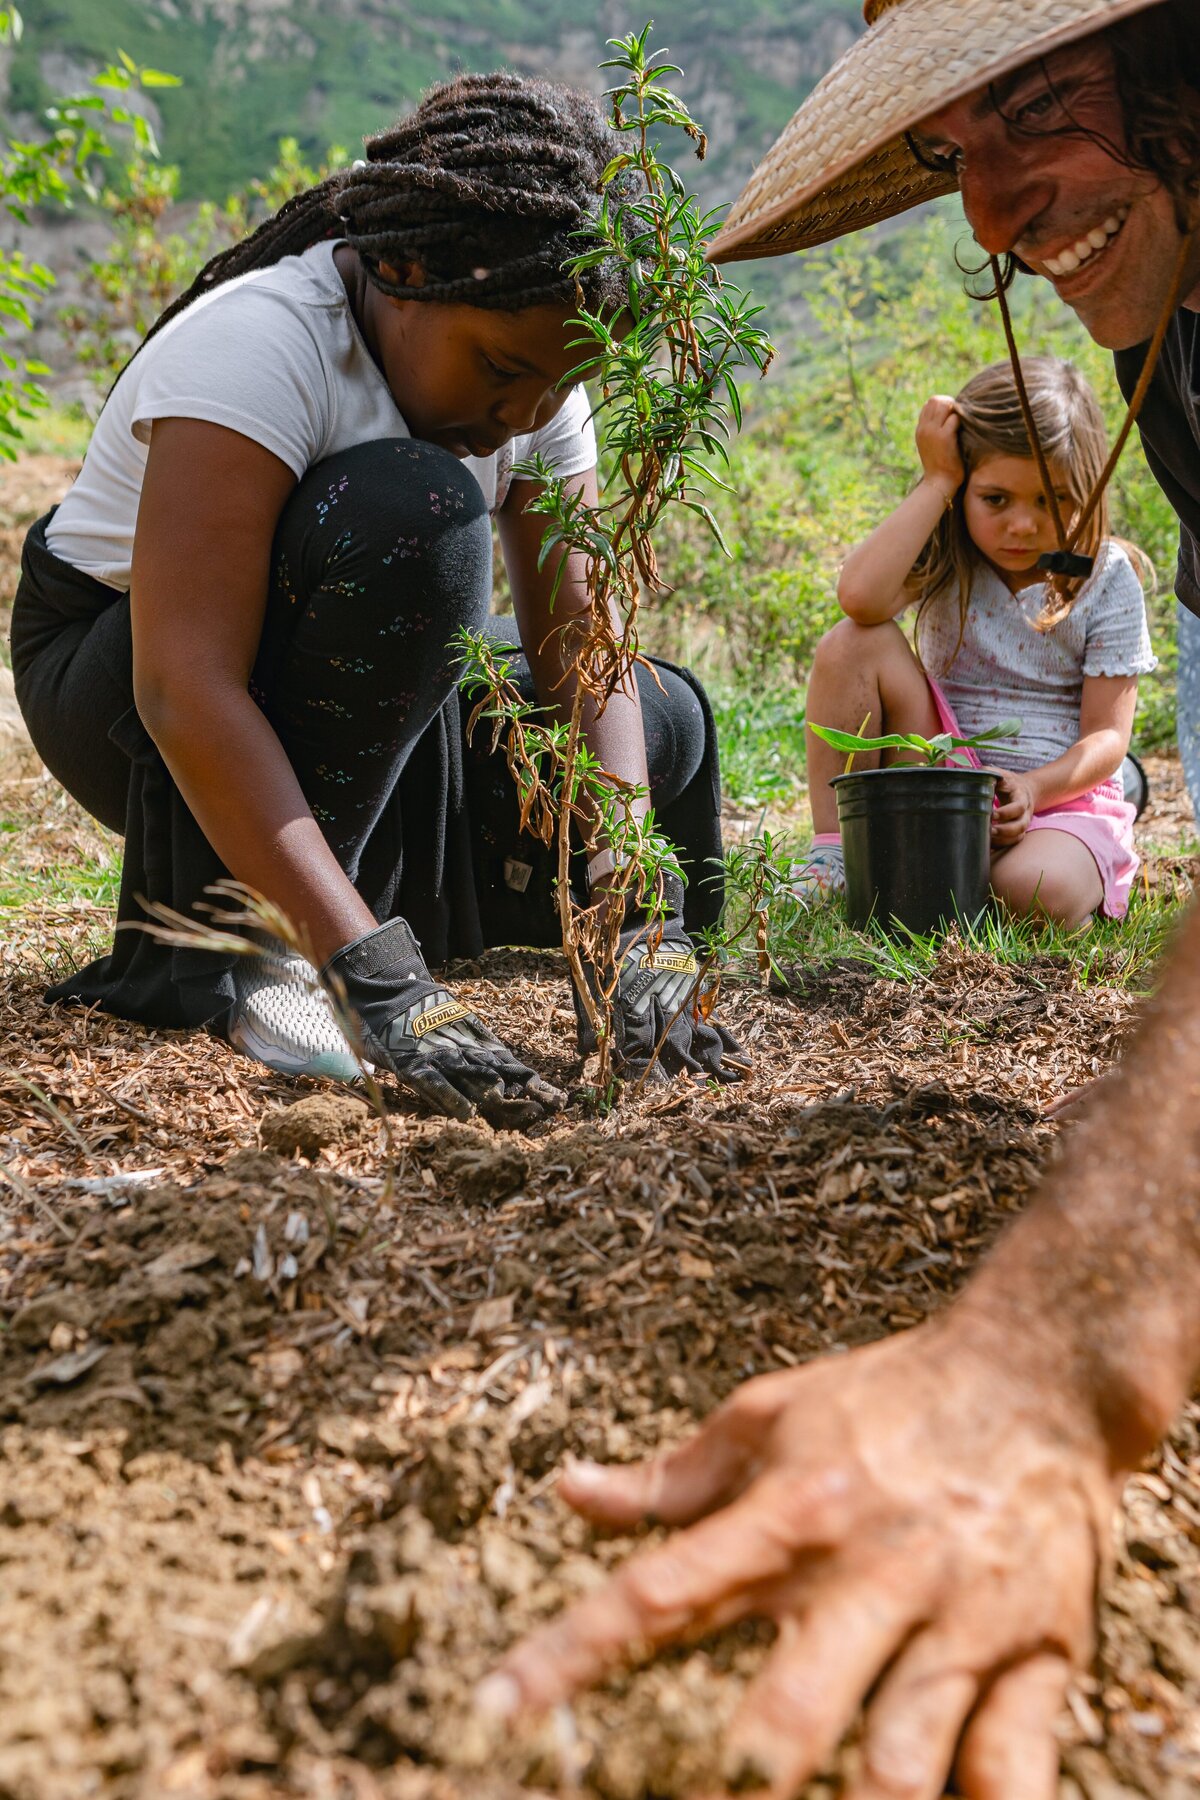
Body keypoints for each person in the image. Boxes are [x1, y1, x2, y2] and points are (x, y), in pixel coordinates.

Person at [482, 5, 1200, 1796]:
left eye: (1039, 103)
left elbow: (1110, 735)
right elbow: (856, 605)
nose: (990, 218)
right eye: (954, 152)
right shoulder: (1172, 349)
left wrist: (1049, 1370)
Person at [8, 73, 743, 1125]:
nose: (519, 416)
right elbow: (185, 685)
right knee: (422, 516)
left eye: (549, 388)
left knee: (657, 717)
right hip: (129, 683)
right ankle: (272, 951)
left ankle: (370, 905)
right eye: (498, 370)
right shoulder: (260, 348)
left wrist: (633, 909)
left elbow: (583, 647)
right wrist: (371, 978)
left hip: (351, 667)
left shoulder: (532, 372)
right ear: (402, 269)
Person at [797, 356, 1152, 927]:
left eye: (1052, 500)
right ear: (964, 488)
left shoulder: (1104, 577)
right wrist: (937, 479)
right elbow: (860, 598)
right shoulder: (950, 554)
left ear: (1088, 488)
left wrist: (1034, 789)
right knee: (852, 642)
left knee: (1033, 890)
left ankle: (1056, 876)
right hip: (940, 769)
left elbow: (1107, 736)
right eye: (995, 499)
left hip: (1054, 799)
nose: (1021, 525)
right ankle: (838, 850)